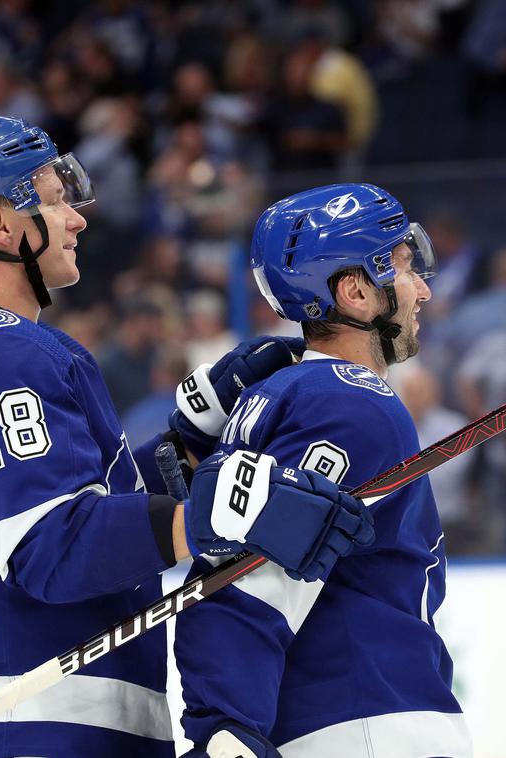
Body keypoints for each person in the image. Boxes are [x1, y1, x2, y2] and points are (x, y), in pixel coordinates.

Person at [0, 117, 374, 757]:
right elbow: (49, 548)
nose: (77, 218)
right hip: (16, 723)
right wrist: (216, 516)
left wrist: (184, 450)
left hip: (23, 720)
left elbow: (70, 506)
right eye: (53, 201)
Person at [174, 183, 472, 757]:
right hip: (370, 723)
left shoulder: (285, 392)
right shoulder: (349, 401)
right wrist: (226, 728)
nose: (423, 290)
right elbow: (259, 574)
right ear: (357, 291)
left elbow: (236, 553)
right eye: (405, 268)